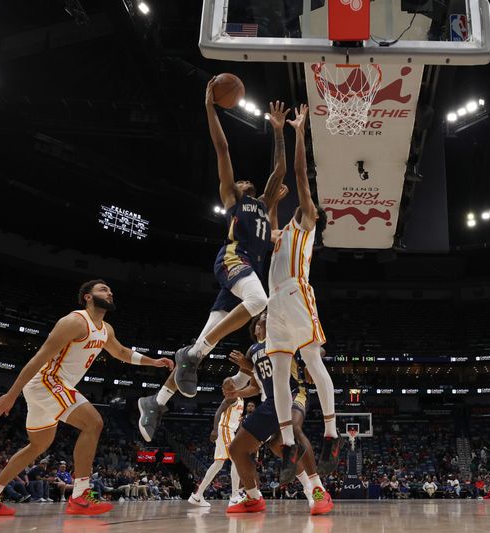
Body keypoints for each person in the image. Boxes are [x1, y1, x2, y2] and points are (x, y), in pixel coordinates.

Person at [137, 81, 291, 442]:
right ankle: (191, 354)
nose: (243, 179)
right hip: (233, 260)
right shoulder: (232, 198)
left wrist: (280, 131)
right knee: (259, 302)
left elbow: (280, 171)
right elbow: (222, 147)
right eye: (238, 180)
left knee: (203, 342)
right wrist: (209, 106)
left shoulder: (264, 204)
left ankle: (155, 402)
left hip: (245, 270)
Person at [0, 280, 174, 516]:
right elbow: (39, 357)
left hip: (52, 386)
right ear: (87, 297)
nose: (109, 293)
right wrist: (11, 394)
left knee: (37, 446)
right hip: (47, 381)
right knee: (94, 423)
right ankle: (80, 496)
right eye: (102, 290)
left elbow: (121, 352)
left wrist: (153, 361)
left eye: (110, 290)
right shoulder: (74, 322)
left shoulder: (105, 329)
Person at [264, 104, 341, 483]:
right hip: (274, 302)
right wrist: (276, 130)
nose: (305, 203)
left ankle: (331, 433)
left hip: (296, 293)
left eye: (309, 204)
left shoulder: (307, 222)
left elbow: (297, 174)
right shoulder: (280, 235)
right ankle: (286, 445)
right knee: (280, 373)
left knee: (312, 360)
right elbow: (273, 209)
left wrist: (297, 132)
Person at [222, 311, 333, 515]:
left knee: (294, 429)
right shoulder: (253, 350)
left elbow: (319, 349)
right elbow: (255, 386)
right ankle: (254, 497)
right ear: (256, 328)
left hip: (294, 393)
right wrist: (236, 391)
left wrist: (311, 362)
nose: (267, 314)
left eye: (269, 313)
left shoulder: (283, 334)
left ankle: (318, 491)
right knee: (239, 449)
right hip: (270, 402)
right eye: (262, 315)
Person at [188, 394, 247, 508]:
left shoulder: (241, 399)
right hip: (225, 429)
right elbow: (218, 412)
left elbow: (235, 418)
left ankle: (197, 495)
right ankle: (234, 497)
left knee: (218, 464)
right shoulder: (233, 397)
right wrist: (215, 429)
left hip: (229, 431)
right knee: (237, 459)